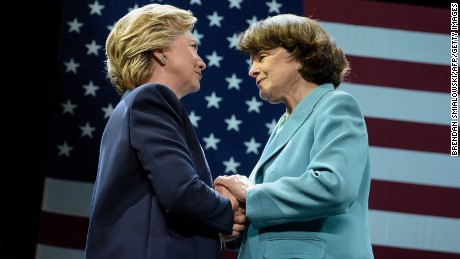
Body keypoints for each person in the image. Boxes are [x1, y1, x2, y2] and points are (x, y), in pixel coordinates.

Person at [85, 4, 245, 259]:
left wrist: (216, 215)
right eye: (193, 47)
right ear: (160, 51)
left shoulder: (137, 103)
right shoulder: (150, 98)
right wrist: (230, 207)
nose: (201, 62)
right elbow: (182, 193)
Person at [214, 14, 374, 258]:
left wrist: (249, 195)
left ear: (300, 57)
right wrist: (238, 221)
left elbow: (333, 187)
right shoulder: (286, 122)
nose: (252, 70)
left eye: (262, 57)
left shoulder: (336, 105)